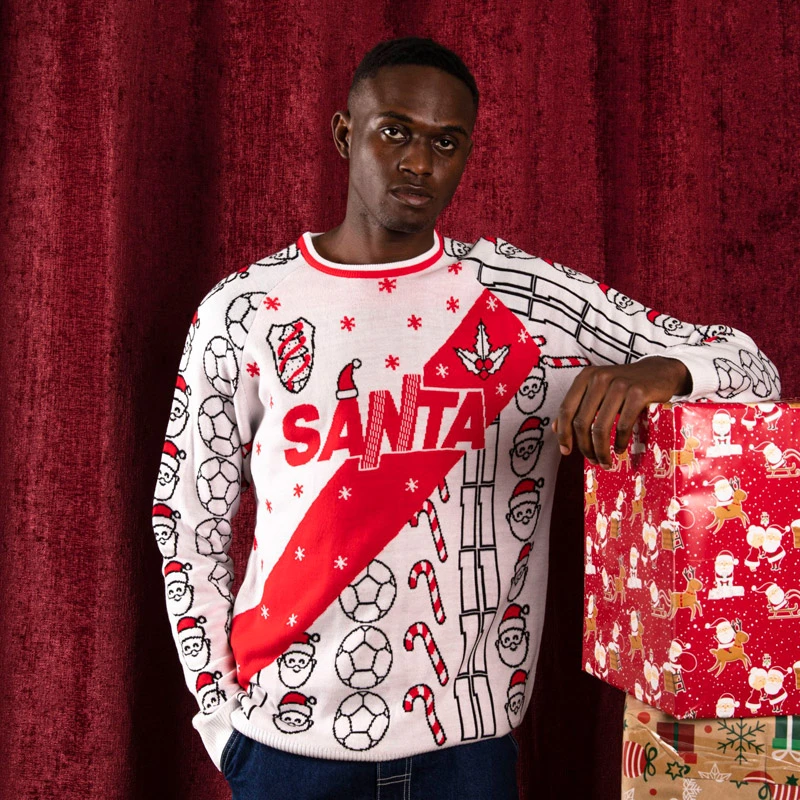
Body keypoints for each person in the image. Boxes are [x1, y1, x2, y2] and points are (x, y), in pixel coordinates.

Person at [153, 37, 780, 799]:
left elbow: (752, 368)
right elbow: (186, 515)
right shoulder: (245, 309)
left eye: (445, 142)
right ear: (345, 133)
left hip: (467, 751)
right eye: (395, 132)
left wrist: (664, 372)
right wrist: (220, 719)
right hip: (286, 744)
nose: (419, 162)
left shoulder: (529, 301)